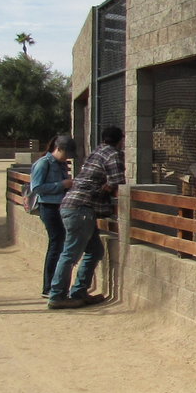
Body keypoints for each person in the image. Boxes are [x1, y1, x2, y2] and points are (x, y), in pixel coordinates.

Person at [48, 126, 126, 310]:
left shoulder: (96, 152)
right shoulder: (113, 154)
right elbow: (119, 180)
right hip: (81, 210)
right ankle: (57, 295)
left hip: (73, 206)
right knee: (70, 254)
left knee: (95, 251)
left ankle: (79, 292)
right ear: (120, 140)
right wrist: (110, 184)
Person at [29, 135, 77, 297]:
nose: (67, 158)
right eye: (66, 153)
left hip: (60, 206)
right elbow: (36, 187)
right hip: (48, 207)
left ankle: (55, 285)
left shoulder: (61, 164)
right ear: (58, 149)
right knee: (56, 244)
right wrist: (61, 185)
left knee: (60, 244)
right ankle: (48, 286)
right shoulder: (44, 163)